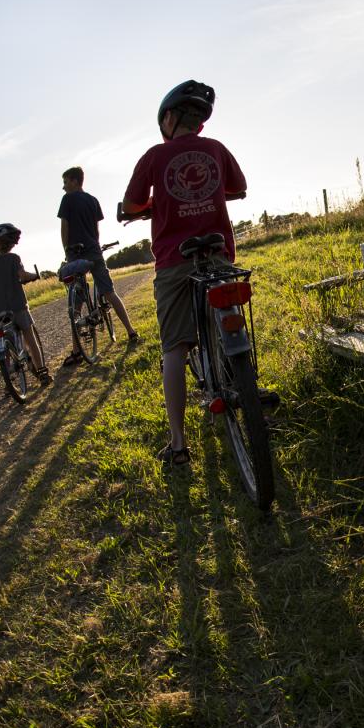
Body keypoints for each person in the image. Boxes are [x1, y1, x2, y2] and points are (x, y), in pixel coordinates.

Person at [122, 80, 246, 466]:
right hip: (218, 254)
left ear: (169, 119)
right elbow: (239, 188)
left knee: (174, 349)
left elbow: (131, 204)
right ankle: (245, 384)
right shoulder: (216, 149)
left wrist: (155, 204)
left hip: (174, 261)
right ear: (200, 123)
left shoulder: (154, 156)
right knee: (231, 323)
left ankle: (178, 445)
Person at [58, 165, 138, 366]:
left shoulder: (67, 199)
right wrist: (94, 244)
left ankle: (77, 351)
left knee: (76, 304)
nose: (64, 186)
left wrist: (67, 251)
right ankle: (130, 331)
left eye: (65, 182)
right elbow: (96, 229)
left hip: (75, 253)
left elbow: (64, 227)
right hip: (94, 250)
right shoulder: (93, 200)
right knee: (109, 292)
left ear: (75, 181)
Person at [0, 223, 51, 386]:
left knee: (6, 343)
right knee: (30, 339)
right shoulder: (14, 258)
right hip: (19, 307)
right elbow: (23, 276)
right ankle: (42, 372)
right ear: (11, 244)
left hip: (1, 311)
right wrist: (34, 276)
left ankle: (9, 380)